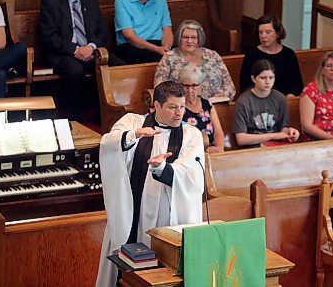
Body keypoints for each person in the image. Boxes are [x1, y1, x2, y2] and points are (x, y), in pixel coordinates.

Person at [95, 81, 204, 287]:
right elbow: (109, 142)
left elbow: (193, 175)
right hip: (133, 211)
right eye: (172, 107)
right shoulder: (133, 122)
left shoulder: (191, 134)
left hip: (168, 215)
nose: (179, 113)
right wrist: (133, 135)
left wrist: (162, 168)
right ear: (157, 105)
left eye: (182, 106)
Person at [40, 0, 124, 120]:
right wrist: (75, 50)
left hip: (91, 51)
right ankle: (75, 119)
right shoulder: (50, 2)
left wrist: (91, 47)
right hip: (62, 53)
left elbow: (102, 32)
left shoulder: (90, 1)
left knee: (117, 66)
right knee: (75, 71)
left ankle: (106, 115)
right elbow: (49, 37)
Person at [154, 19, 236, 101]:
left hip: (214, 106)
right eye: (185, 37)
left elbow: (229, 86)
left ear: (199, 38)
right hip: (181, 108)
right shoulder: (169, 58)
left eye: (194, 37)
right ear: (179, 38)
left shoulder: (213, 56)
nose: (189, 41)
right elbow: (160, 89)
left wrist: (209, 103)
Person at [233, 59, 299, 148]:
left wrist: (290, 132)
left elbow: (283, 127)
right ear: (253, 79)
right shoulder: (243, 101)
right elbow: (241, 139)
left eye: (271, 77)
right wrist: (272, 136)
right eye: (263, 78)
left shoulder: (280, 98)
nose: (268, 82)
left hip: (276, 146)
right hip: (253, 148)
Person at [114, 0, 173, 64]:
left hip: (158, 45)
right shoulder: (121, 1)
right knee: (160, 60)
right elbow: (130, 37)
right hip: (133, 46)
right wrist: (157, 49)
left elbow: (167, 31)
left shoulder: (161, 0)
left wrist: (166, 48)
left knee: (183, 55)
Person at [240, 14, 303, 97]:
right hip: (259, 101)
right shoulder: (251, 55)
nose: (263, 36)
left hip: (284, 100)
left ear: (277, 33)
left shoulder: (288, 54)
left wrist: (291, 95)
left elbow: (297, 84)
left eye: (268, 32)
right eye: (260, 32)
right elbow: (245, 86)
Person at [178, 66, 225, 153]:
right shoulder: (177, 107)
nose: (189, 90)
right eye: (185, 86)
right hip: (188, 153)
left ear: (200, 86)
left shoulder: (207, 105)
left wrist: (219, 148)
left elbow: (218, 132)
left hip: (211, 151)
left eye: (194, 85)